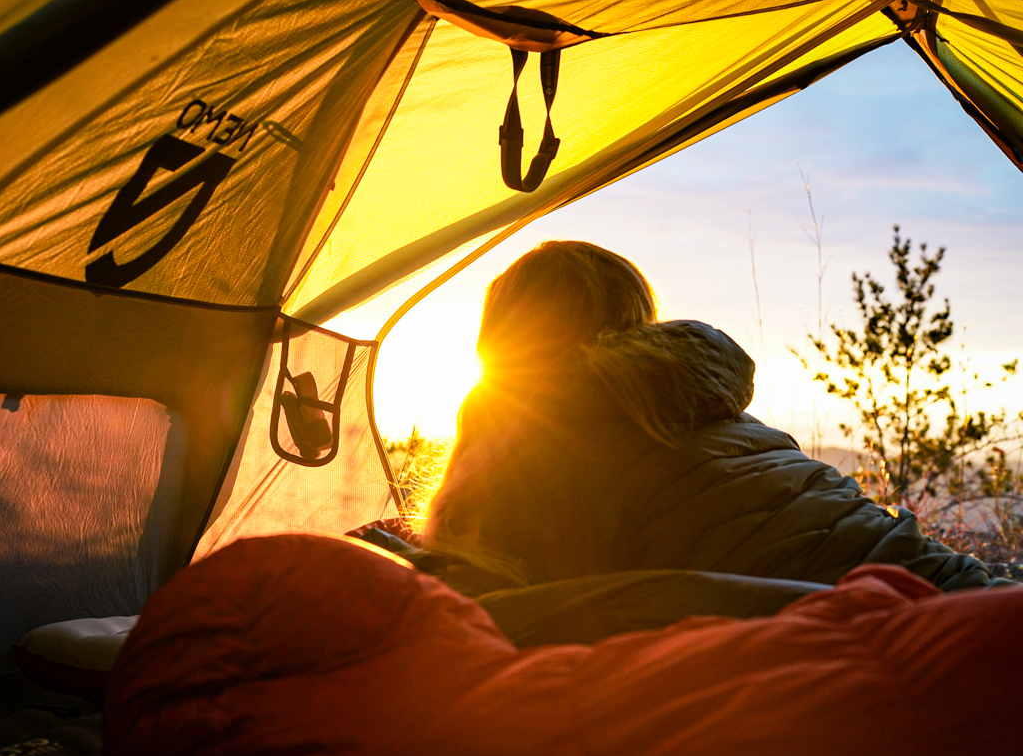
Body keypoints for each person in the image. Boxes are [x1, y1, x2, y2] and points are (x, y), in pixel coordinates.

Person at [422, 240, 1003, 590]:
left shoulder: (526, 427)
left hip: (870, 620)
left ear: (502, 336)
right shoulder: (697, 396)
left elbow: (527, 592)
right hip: (950, 584)